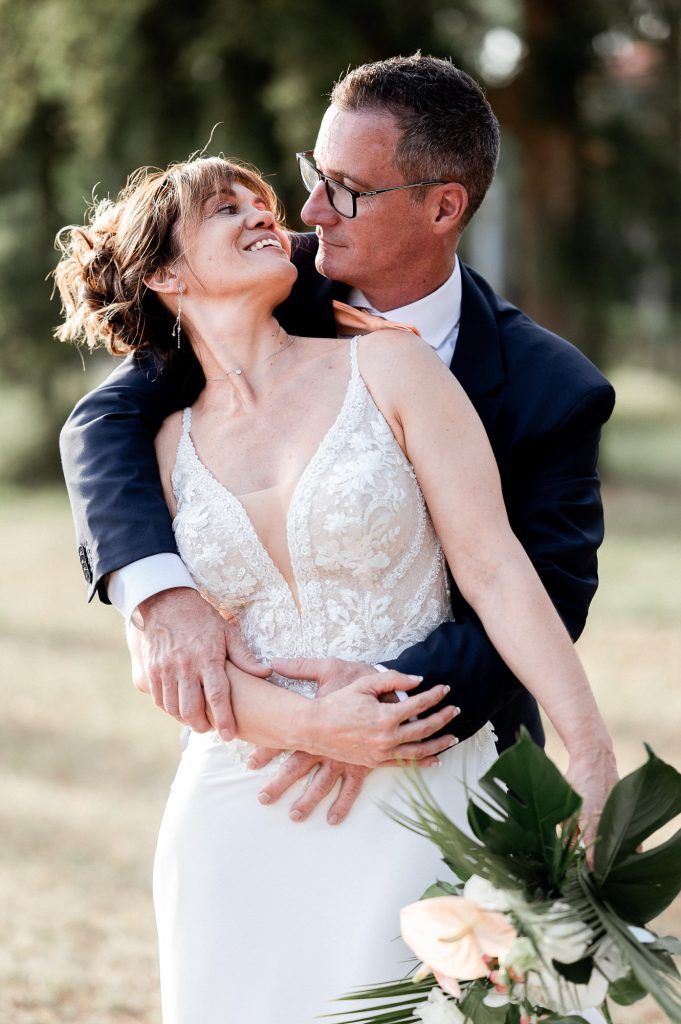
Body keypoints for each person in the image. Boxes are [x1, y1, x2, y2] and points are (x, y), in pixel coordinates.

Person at [54, 153, 616, 1024]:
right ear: (166, 273)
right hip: (240, 809)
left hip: (424, 790)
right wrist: (311, 724)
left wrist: (590, 751)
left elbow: (499, 568)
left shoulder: (391, 368)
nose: (262, 217)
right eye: (222, 209)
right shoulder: (155, 446)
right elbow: (163, 665)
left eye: (259, 202)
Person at [60, 54, 616, 827]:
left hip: (444, 756)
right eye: (313, 174)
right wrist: (159, 594)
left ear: (442, 207)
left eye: (347, 190)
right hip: (253, 781)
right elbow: (103, 422)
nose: (308, 211)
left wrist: (366, 715)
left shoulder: (550, 388)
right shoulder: (262, 284)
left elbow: (534, 591)